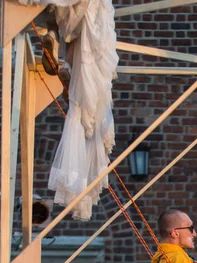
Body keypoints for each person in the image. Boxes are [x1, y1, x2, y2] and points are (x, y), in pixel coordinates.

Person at [19, 0, 118, 221]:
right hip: (88, 18)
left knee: (62, 22)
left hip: (76, 16)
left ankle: (54, 44)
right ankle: (67, 72)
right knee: (86, 60)